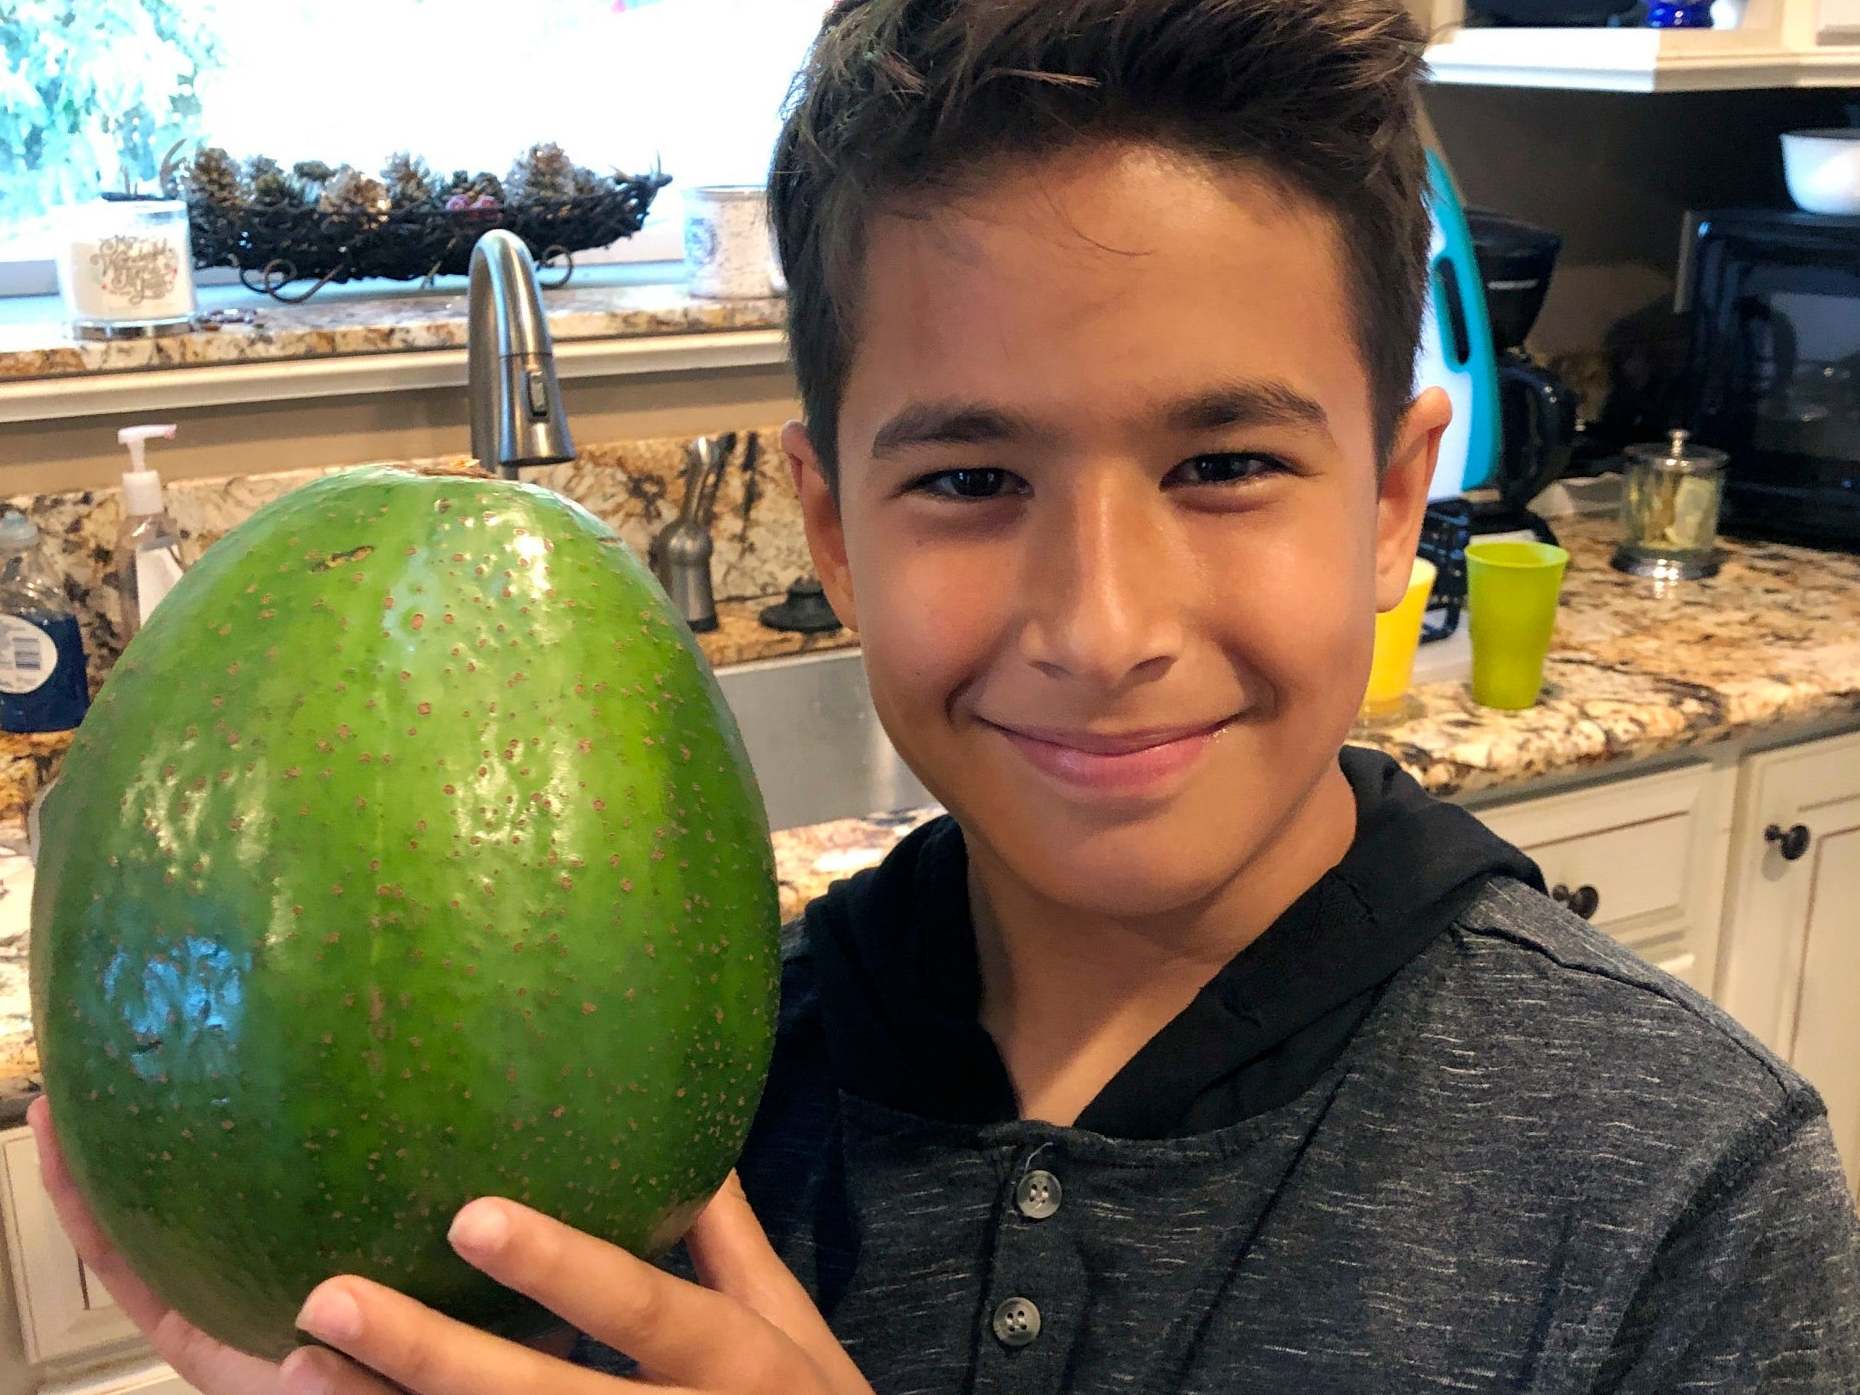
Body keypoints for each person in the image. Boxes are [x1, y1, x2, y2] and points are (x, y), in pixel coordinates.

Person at [31, 0, 1860, 1391]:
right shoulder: (657, 1112)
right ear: (833, 528)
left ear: (1395, 501)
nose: (1101, 622)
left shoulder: (1678, 1193)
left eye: (1224, 463)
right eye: (973, 482)